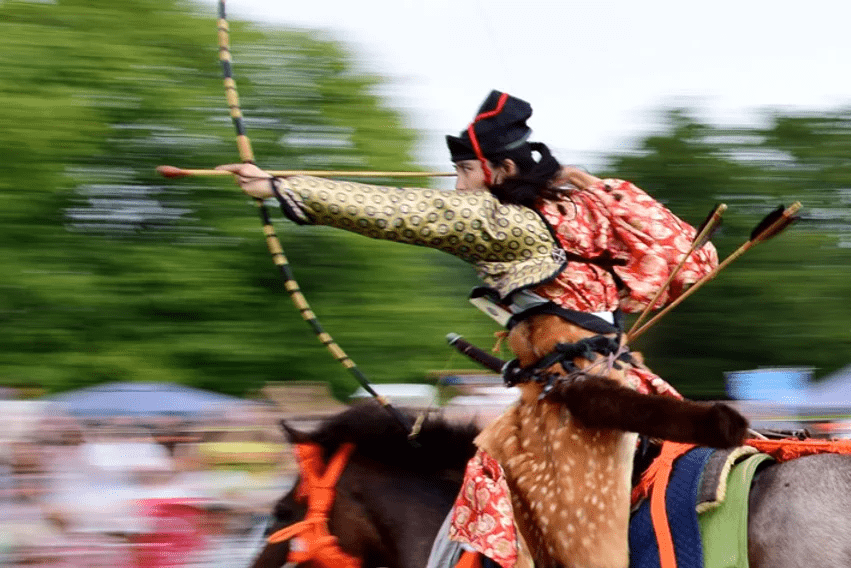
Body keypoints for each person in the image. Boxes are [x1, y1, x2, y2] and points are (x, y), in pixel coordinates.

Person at [217, 90, 720, 568]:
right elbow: (694, 259)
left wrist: (281, 186)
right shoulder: (582, 212)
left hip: (575, 411)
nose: (458, 186)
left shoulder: (510, 224)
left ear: (502, 170)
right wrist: (596, 186)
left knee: (569, 549)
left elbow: (408, 213)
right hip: (602, 390)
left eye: (465, 170)